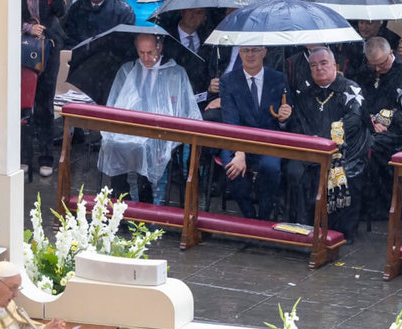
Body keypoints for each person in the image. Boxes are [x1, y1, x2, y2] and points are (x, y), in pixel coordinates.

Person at [98, 33, 201, 204]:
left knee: (147, 147)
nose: (146, 58)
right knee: (110, 143)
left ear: (160, 47)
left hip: (160, 131)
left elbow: (185, 108)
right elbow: (114, 104)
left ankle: (145, 200)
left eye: (150, 52)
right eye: (141, 53)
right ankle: (120, 195)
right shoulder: (127, 69)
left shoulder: (175, 73)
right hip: (129, 127)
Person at [286, 47, 372, 241]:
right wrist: (312, 142)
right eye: (314, 65)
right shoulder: (304, 95)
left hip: (344, 152)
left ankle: (338, 233)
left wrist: (326, 140)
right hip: (311, 152)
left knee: (338, 172)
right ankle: (303, 227)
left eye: (324, 63)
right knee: (294, 170)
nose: (319, 68)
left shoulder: (351, 90)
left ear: (335, 65)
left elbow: (355, 121)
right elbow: (297, 125)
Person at [356, 36, 402, 222]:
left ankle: (384, 204)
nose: (377, 69)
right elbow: (359, 103)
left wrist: (380, 120)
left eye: (381, 64)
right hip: (370, 127)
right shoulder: (366, 71)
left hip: (401, 134)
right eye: (373, 65)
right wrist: (370, 121)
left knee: (372, 145)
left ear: (391, 54)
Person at [220, 45, 292, 220]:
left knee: (270, 168)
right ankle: (249, 217)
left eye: (255, 50)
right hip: (236, 138)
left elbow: (285, 118)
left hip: (268, 141)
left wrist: (284, 118)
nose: (250, 55)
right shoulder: (228, 80)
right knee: (233, 169)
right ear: (239, 53)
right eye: (246, 50)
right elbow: (231, 120)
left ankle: (264, 216)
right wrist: (239, 151)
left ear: (264, 52)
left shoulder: (278, 79)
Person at [22, 0, 67, 178]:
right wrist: (27, 27)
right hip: (22, 47)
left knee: (45, 102)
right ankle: (23, 155)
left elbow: (61, 11)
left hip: (49, 47)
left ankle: (46, 157)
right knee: (23, 104)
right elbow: (4, 18)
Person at [63, 0, 135, 51]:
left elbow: (126, 46)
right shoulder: (75, 9)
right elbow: (69, 41)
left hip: (113, 63)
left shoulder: (123, 11)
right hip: (83, 63)